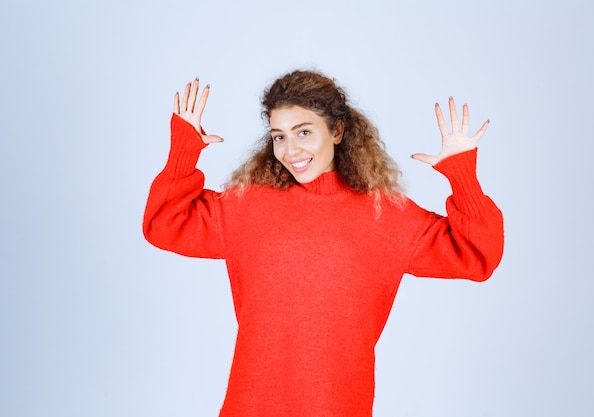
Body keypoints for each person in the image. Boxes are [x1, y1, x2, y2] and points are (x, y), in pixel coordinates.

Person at [143, 70, 504, 417]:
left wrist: (462, 174)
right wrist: (184, 152)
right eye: (279, 136)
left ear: (337, 130)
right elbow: (163, 223)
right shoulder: (247, 206)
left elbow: (478, 254)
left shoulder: (386, 216)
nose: (290, 149)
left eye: (303, 132)